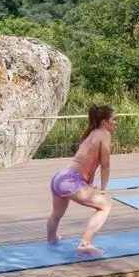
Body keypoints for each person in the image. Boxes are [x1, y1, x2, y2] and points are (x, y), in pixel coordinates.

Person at [46, 104, 116, 256]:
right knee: (105, 207)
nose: (116, 122)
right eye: (114, 119)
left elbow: (88, 164)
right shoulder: (104, 134)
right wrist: (103, 190)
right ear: (105, 122)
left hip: (60, 177)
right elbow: (105, 165)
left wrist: (89, 186)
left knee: (57, 213)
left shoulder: (91, 133)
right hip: (71, 180)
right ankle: (84, 244)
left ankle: (51, 239)